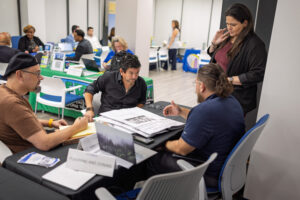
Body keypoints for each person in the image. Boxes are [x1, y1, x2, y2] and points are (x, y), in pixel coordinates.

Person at [146, 63, 245, 187]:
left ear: (202, 86)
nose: (195, 87)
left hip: (208, 174)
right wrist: (181, 111)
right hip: (226, 168)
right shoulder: (231, 101)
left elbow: (181, 149)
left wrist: (161, 145)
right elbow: (208, 121)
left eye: (196, 83)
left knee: (153, 158)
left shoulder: (205, 111)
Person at [0, 53, 88, 153]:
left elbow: (22, 122)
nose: (41, 78)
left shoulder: (4, 91)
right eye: (37, 74)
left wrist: (50, 123)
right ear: (19, 75)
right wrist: (76, 127)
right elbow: (44, 143)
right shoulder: (13, 104)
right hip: (26, 155)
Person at [207, 3, 267, 115]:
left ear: (245, 23)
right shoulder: (227, 37)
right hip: (217, 92)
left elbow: (258, 73)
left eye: (233, 25)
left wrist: (229, 80)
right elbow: (218, 58)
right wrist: (214, 44)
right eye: (227, 24)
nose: (229, 28)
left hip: (235, 98)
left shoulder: (255, 44)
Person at [84, 53, 147, 121]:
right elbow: (89, 89)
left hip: (128, 120)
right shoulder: (108, 77)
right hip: (106, 118)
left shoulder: (141, 83)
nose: (134, 77)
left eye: (137, 73)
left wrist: (133, 113)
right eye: (131, 73)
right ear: (121, 71)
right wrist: (89, 109)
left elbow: (142, 102)